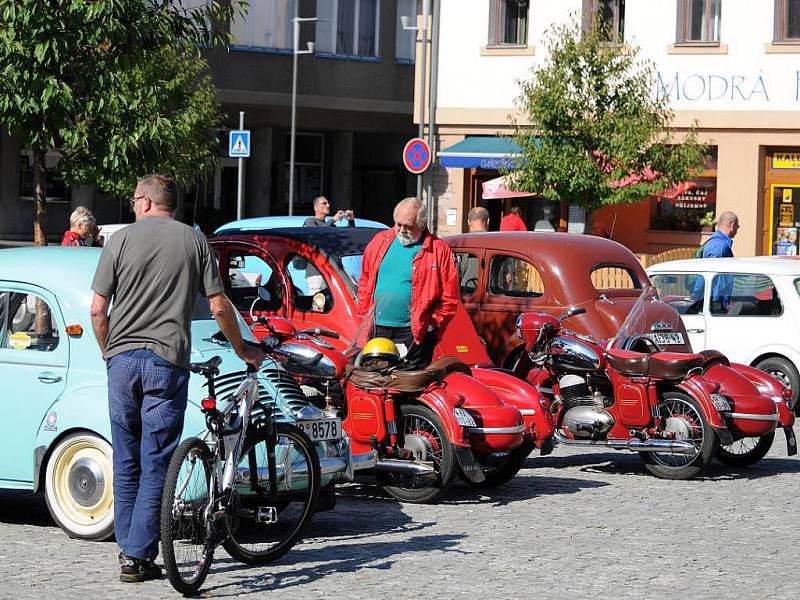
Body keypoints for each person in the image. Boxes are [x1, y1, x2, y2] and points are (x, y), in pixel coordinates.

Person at [89, 174, 264, 584]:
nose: (133, 205)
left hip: (121, 361)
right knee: (156, 461)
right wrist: (243, 348)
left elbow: (98, 309)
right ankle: (136, 554)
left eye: (134, 199)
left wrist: (107, 350)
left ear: (147, 202)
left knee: (126, 457)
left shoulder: (119, 241)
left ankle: (130, 549)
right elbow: (219, 305)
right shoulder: (194, 240)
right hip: (166, 359)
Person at [357, 197, 459, 369]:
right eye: (398, 224)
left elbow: (449, 297)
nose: (402, 229)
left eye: (408, 226)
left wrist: (432, 326)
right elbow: (365, 281)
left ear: (422, 224)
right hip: (376, 328)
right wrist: (363, 313)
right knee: (373, 381)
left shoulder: (438, 249)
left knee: (407, 383)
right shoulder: (379, 241)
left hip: (414, 332)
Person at [693, 210, 739, 311]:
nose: (737, 229)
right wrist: (695, 298)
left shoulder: (717, 243)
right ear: (732, 224)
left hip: (715, 301)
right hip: (715, 303)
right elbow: (707, 274)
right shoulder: (719, 246)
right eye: (737, 226)